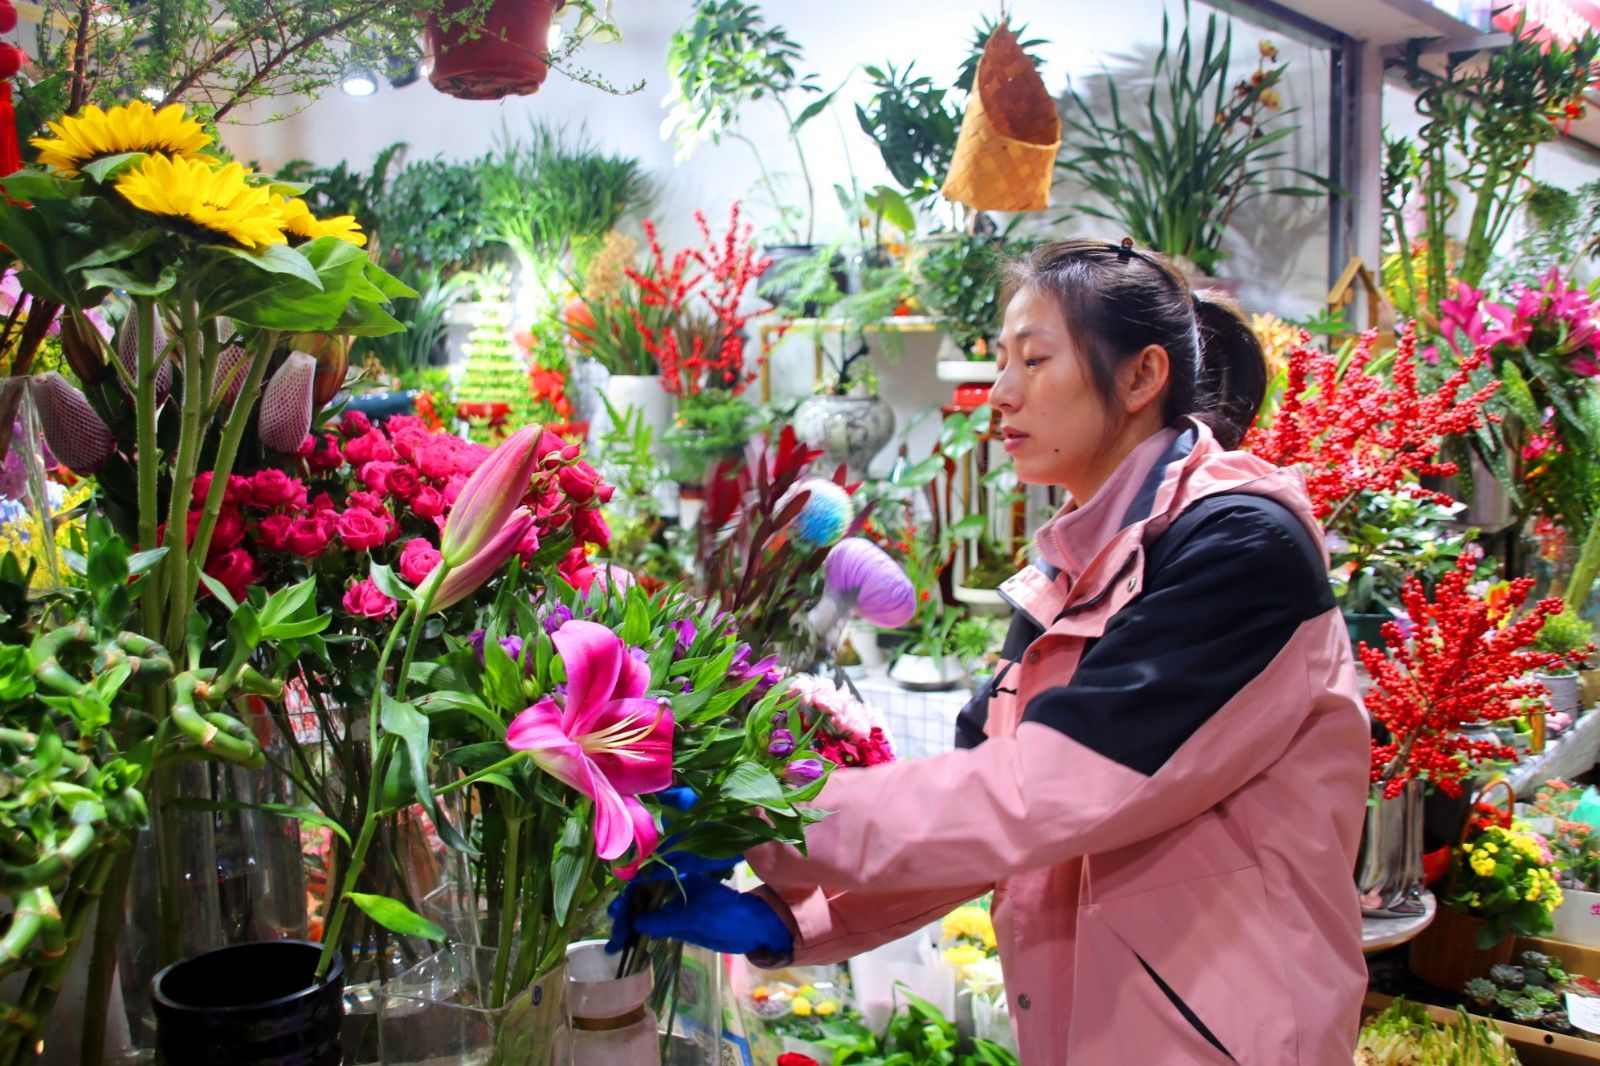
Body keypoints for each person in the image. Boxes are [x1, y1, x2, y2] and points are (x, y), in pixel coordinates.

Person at [620, 238, 1369, 1064]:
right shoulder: (1073, 566)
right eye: (998, 359)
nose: (1000, 394)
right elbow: (992, 831)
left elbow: (1040, 794)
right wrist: (793, 916)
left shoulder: (1238, 549)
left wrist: (776, 815)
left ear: (1141, 377)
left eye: (1034, 360)